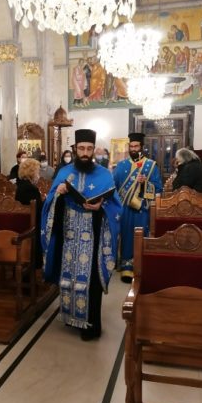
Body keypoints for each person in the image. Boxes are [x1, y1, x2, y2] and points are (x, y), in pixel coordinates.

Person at [42, 129, 122, 341]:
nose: (85, 153)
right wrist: (58, 193)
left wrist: (101, 207)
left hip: (93, 234)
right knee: (68, 276)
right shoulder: (64, 172)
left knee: (91, 281)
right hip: (68, 234)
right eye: (81, 148)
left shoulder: (104, 174)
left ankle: (91, 326)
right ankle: (71, 318)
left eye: (89, 149)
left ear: (93, 150)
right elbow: (49, 202)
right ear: (75, 149)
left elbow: (116, 207)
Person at [113, 132, 162, 283]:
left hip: (142, 208)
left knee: (140, 234)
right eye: (131, 146)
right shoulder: (121, 166)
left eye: (136, 146)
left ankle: (139, 265)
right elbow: (113, 188)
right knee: (126, 234)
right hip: (125, 209)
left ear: (142, 147)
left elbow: (159, 189)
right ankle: (126, 266)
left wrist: (145, 183)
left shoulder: (151, 166)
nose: (133, 149)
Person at [15, 158, 43, 268]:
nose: (39, 175)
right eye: (38, 172)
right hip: (30, 228)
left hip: (22, 225)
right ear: (32, 172)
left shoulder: (21, 186)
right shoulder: (30, 189)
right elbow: (37, 210)